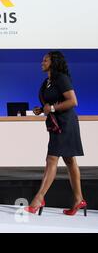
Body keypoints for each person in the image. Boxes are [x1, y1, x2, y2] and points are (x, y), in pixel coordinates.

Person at [24, 51, 87, 216]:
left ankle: (39, 198)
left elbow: (73, 101)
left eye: (45, 60)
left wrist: (51, 108)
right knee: (69, 160)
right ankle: (79, 199)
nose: (42, 62)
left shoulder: (61, 78)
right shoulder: (47, 81)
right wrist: (41, 109)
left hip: (66, 124)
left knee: (51, 158)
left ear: (54, 62)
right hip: (56, 124)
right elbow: (49, 103)